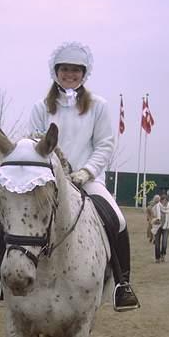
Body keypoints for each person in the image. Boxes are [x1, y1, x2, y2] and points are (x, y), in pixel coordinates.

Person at [26, 41, 139, 311]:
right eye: (65, 69)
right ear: (56, 72)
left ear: (84, 73)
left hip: (87, 180)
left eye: (76, 70)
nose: (70, 74)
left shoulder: (98, 106)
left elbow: (104, 144)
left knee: (117, 218)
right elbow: (35, 143)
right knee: (3, 215)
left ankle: (123, 284)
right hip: (48, 181)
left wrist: (86, 171)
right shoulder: (41, 107)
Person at [151, 194, 169, 262]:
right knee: (157, 242)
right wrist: (155, 219)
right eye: (163, 200)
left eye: (166, 200)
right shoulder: (156, 207)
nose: (164, 202)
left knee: (164, 242)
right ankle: (157, 258)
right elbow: (152, 215)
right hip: (158, 226)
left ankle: (163, 254)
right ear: (161, 201)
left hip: (167, 226)